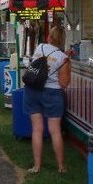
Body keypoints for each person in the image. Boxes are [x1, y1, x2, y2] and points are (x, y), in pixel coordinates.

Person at [25, 25, 71, 174]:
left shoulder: (40, 48)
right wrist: (67, 63)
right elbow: (64, 83)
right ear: (62, 40)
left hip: (33, 90)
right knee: (55, 131)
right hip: (52, 93)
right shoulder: (63, 58)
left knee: (37, 130)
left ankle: (36, 166)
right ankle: (61, 167)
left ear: (49, 37)